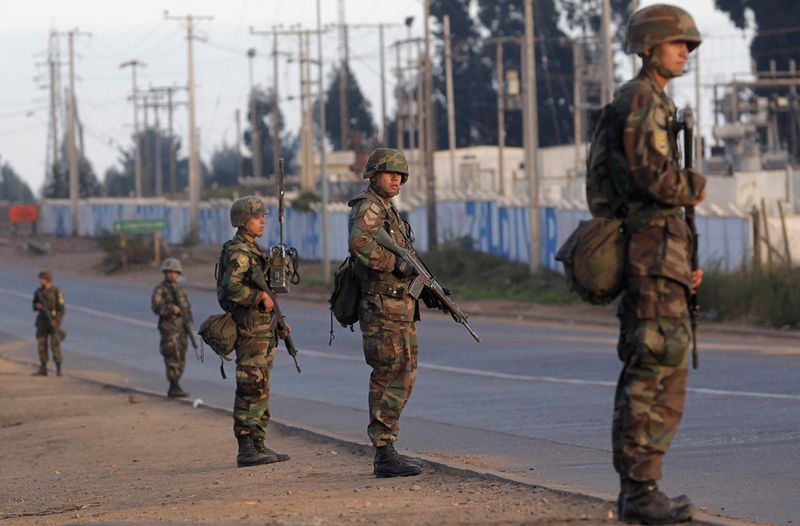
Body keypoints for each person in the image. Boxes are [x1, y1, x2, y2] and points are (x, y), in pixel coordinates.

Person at [608, 5, 706, 523]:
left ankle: (642, 489)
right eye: (677, 42)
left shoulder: (653, 99)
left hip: (660, 252)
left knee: (659, 368)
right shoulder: (643, 99)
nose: (685, 51)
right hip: (651, 252)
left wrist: (683, 258)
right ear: (649, 46)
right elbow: (654, 180)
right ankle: (640, 492)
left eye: (689, 44)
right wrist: (695, 186)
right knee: (652, 370)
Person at [347, 148, 427, 478]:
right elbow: (360, 245)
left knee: (405, 371)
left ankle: (387, 445)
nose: (396, 179)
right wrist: (397, 263)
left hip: (398, 306)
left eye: (400, 175)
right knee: (388, 372)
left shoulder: (388, 210)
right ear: (374, 175)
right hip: (382, 307)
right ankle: (383, 451)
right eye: (389, 173)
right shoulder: (369, 207)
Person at [217, 196, 291, 467]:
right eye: (256, 216)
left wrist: (277, 321)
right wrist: (258, 297)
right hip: (249, 331)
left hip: (262, 329)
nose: (262, 221)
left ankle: (259, 443)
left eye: (263, 216)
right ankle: (246, 447)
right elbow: (230, 288)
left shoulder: (253, 249)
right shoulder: (239, 252)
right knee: (250, 387)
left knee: (261, 386)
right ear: (242, 221)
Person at [151, 257, 192, 399]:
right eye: (169, 272)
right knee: (171, 355)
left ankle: (176, 384)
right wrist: (170, 308)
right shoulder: (161, 289)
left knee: (181, 356)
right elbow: (156, 307)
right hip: (169, 329)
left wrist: (189, 321)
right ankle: (173, 386)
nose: (172, 275)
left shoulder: (179, 290)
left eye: (174, 272)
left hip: (181, 328)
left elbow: (186, 307)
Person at [32, 270, 65, 376]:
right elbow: (34, 305)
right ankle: (43, 368)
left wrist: (56, 320)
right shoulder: (38, 292)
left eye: (43, 279)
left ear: (48, 280)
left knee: (54, 345)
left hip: (53, 320)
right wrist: (37, 306)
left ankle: (58, 368)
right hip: (42, 321)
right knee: (41, 345)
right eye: (40, 279)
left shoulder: (56, 292)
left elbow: (62, 309)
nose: (41, 281)